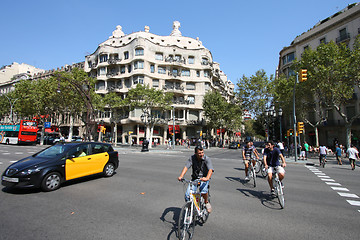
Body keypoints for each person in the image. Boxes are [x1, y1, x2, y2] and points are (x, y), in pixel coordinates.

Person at [178, 146, 214, 213]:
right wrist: (181, 176)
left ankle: (206, 202)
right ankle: (189, 213)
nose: (201, 154)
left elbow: (210, 170)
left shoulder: (207, 159)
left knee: (203, 191)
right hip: (195, 178)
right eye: (199, 153)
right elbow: (186, 167)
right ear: (195, 153)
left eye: (202, 152)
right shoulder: (192, 158)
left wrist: (207, 178)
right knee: (187, 196)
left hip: (204, 178)